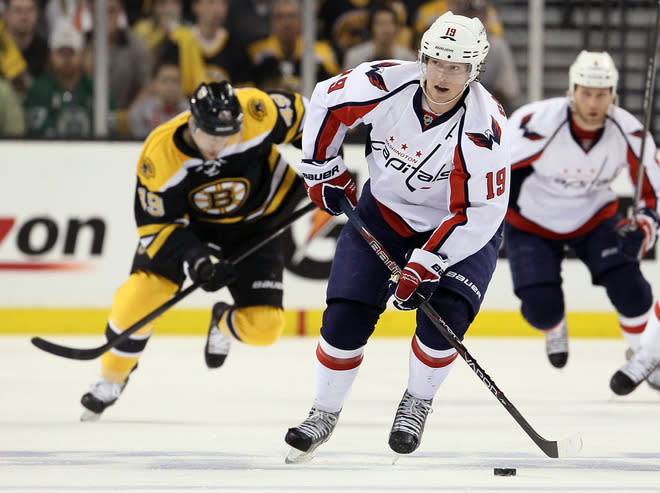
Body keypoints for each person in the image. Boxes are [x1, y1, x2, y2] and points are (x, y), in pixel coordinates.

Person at [285, 11, 509, 462]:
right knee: (345, 314)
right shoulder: (385, 83)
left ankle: (417, 401)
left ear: (475, 70)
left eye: (457, 67)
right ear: (422, 58)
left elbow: (481, 210)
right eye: (436, 62)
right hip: (384, 213)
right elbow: (326, 99)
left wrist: (430, 261)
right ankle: (323, 413)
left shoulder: (485, 128)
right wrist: (322, 167)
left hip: (460, 229)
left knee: (442, 322)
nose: (442, 76)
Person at [79, 80, 309, 421]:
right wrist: (196, 262)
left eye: (227, 134)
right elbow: (157, 227)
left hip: (255, 223)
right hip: (191, 229)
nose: (218, 143)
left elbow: (314, 120)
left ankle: (223, 322)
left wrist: (328, 168)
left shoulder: (256, 111)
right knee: (139, 297)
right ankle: (111, 379)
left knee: (265, 327)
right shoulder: (159, 155)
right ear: (192, 122)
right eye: (210, 134)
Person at [504, 51, 660, 385]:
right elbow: (495, 171)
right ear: (572, 91)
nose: (592, 102)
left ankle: (645, 355)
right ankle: (554, 326)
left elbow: (652, 192)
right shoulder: (535, 121)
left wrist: (644, 228)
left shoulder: (630, 131)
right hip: (531, 224)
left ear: (612, 95)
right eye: (586, 92)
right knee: (541, 309)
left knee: (633, 292)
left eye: (601, 94)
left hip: (595, 219)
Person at [248, 0, 340, 93]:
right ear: (272, 22)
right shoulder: (258, 51)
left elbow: (334, 88)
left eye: (291, 16)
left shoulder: (321, 52)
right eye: (280, 17)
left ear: (301, 20)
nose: (286, 23)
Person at [342, 1, 417, 71]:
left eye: (389, 23)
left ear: (397, 27)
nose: (385, 29)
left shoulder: (408, 58)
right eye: (380, 23)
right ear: (371, 28)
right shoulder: (354, 56)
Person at [127, 59, 188, 138]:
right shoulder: (139, 113)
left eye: (175, 81)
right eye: (164, 81)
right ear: (154, 84)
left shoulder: (190, 113)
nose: (170, 87)